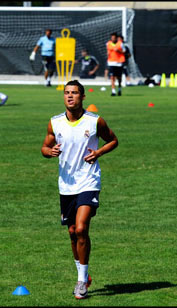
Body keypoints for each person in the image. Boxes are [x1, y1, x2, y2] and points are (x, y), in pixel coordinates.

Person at [41, 80, 118, 300]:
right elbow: (44, 147)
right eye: (67, 93)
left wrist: (99, 152)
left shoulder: (95, 121)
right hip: (66, 185)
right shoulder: (55, 123)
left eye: (74, 93)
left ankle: (81, 282)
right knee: (73, 232)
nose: (70, 96)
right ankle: (83, 273)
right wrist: (50, 151)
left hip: (88, 181)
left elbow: (113, 140)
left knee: (82, 228)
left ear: (82, 97)